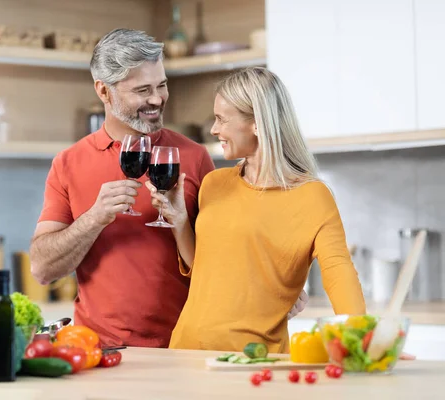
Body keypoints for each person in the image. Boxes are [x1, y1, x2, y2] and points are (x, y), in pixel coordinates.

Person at [30, 29, 308, 348]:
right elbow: (43, 269)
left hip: (187, 346)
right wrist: (94, 218)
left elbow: (230, 250)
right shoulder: (68, 164)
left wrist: (278, 283)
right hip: (102, 350)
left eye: (162, 85)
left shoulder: (194, 156)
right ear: (104, 92)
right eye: (142, 90)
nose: (156, 99)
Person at [147, 66, 366, 353]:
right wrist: (179, 220)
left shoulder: (313, 197)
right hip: (185, 351)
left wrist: (362, 339)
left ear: (258, 124)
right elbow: (206, 269)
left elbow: (339, 273)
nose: (214, 130)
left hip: (254, 361)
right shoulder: (214, 183)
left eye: (222, 120)